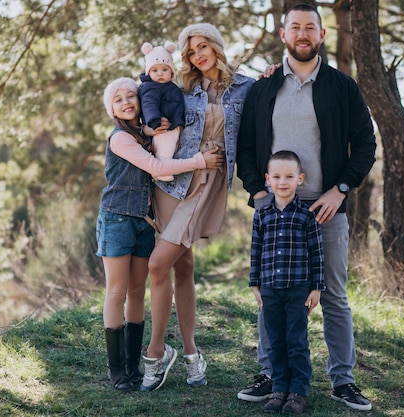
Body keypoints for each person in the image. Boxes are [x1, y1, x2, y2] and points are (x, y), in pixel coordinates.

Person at [236, 3, 376, 411]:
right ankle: (271, 375)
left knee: (333, 295)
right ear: (283, 35)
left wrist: (341, 189)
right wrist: (258, 194)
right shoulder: (263, 88)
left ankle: (343, 381)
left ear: (321, 35)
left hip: (324, 207)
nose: (302, 34)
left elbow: (365, 144)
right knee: (271, 296)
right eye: (294, 27)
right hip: (275, 208)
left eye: (309, 28)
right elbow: (245, 148)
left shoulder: (342, 87)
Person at [140, 23, 255, 392]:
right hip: (173, 181)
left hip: (207, 184)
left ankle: (156, 354)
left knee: (159, 263)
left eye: (202, 47)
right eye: (190, 52)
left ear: (217, 46)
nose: (197, 56)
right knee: (182, 265)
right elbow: (150, 108)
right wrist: (146, 130)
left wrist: (273, 72)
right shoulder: (183, 87)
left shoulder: (248, 87)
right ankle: (191, 354)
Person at [98, 77, 223, 391]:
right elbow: (156, 166)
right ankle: (117, 372)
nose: (126, 102)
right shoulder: (120, 140)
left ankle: (133, 367)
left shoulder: (143, 135)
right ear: (111, 109)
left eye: (131, 96)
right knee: (117, 291)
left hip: (143, 222)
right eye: (118, 99)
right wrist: (199, 162)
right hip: (116, 220)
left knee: (138, 290)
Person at [249, 150, 325, 414]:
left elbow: (317, 252)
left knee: (296, 341)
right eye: (277, 176)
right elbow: (255, 251)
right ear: (268, 179)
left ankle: (298, 392)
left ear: (300, 179)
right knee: (275, 341)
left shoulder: (306, 215)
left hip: (298, 290)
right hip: (269, 289)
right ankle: (279, 388)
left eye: (289, 176)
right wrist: (255, 285)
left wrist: (316, 287)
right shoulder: (262, 215)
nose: (283, 182)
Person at [138, 41, 185, 181]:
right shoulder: (150, 87)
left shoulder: (172, 87)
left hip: (174, 124)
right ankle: (162, 171)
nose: (160, 74)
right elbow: (148, 104)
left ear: (171, 72)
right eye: (154, 70)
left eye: (164, 70)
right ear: (148, 72)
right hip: (162, 125)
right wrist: (154, 120)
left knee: (172, 147)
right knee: (164, 148)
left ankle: (165, 167)